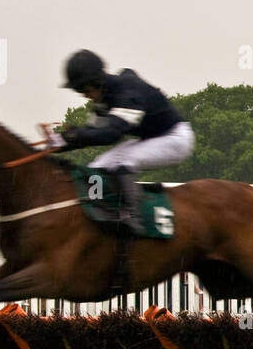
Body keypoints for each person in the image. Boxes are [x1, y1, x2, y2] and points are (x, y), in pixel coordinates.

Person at [47, 50, 194, 237]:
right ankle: (102, 212)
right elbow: (92, 133)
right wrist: (57, 142)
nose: (83, 95)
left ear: (96, 82)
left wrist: (72, 137)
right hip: (153, 138)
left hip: (176, 138)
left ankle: (133, 217)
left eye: (83, 89)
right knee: (97, 166)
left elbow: (110, 135)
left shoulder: (128, 93)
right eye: (78, 91)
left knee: (123, 159)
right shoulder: (104, 98)